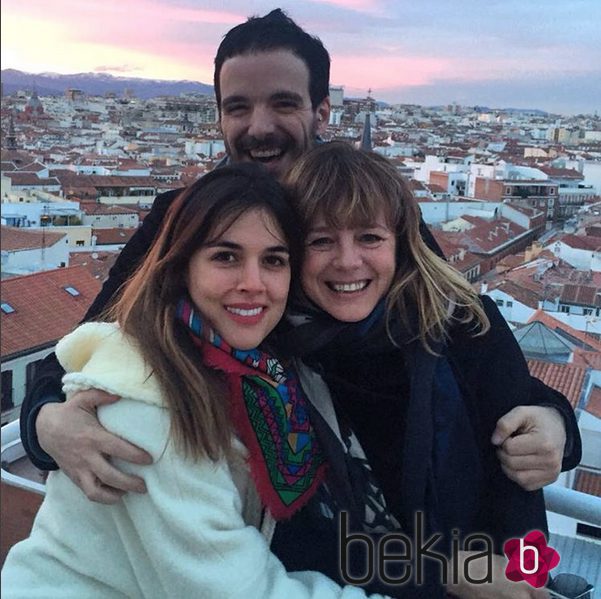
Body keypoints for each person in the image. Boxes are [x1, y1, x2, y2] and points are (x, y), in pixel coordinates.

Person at [20, 8, 578, 506]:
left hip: (401, 516)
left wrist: (556, 425)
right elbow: (83, 344)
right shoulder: (183, 222)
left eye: (283, 103)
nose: (259, 127)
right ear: (218, 118)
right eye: (238, 107)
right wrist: (47, 424)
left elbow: (471, 339)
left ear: (322, 111)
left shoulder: (370, 216)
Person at [2, 163, 392, 599]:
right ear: (181, 266)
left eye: (274, 260)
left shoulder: (252, 367)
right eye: (225, 257)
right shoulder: (143, 404)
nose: (253, 284)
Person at [279, 141, 555, 598]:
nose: (348, 261)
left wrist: (558, 423)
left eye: (369, 237)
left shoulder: (467, 328)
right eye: (321, 240)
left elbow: (518, 486)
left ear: (400, 243)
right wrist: (439, 570)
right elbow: (293, 543)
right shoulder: (272, 363)